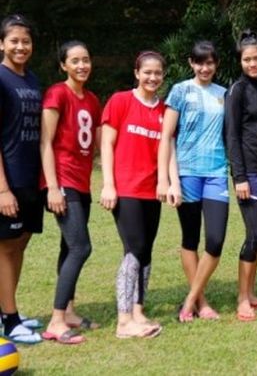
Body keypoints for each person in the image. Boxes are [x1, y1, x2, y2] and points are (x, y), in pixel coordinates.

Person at [158, 41, 229, 323]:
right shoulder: (179, 90)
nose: (204, 68)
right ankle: (201, 302)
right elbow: (166, 137)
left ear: (216, 64)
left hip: (217, 172)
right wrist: (168, 180)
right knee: (190, 237)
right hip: (186, 173)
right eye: (199, 62)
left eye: (209, 62)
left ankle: (189, 299)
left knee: (215, 240)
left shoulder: (224, 94)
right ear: (191, 63)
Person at [100, 51, 167, 339]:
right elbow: (106, 144)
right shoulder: (120, 101)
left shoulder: (164, 110)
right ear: (136, 73)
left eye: (157, 73)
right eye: (147, 72)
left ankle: (139, 311)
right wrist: (108, 184)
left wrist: (166, 182)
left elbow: (166, 151)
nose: (152, 77)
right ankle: (123, 320)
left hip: (151, 191)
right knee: (134, 250)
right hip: (125, 189)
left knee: (147, 252)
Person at [40, 41, 101, 344]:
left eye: (86, 60)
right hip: (62, 180)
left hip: (82, 182)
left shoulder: (91, 99)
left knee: (68, 248)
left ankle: (69, 312)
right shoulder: (57, 93)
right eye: (74, 61)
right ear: (63, 65)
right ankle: (55, 321)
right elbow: (45, 143)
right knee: (81, 247)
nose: (81, 66)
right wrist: (52, 187)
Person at [224, 30, 257, 322]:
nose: (252, 63)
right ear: (240, 61)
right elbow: (231, 135)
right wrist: (239, 176)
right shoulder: (237, 91)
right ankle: (242, 298)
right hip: (249, 175)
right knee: (254, 233)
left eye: (256, 58)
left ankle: (252, 293)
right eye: (247, 59)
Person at [0, 14, 43, 344]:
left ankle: (7, 310)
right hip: (8, 180)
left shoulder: (32, 80)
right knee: (5, 247)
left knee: (21, 243)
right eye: (13, 40)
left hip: (31, 177)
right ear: (2, 43)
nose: (20, 46)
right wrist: (2, 189)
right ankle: (10, 319)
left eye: (25, 41)